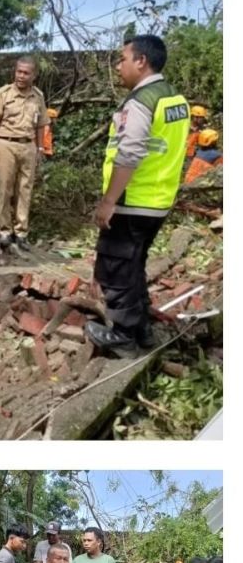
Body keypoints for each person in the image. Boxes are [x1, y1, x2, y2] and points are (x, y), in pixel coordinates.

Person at [85, 35, 190, 358]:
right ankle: (141, 328)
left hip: (133, 201)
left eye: (123, 59)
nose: (119, 66)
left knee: (116, 269)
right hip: (157, 201)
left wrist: (108, 201)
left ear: (141, 61)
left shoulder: (141, 101)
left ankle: (122, 336)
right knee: (133, 265)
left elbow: (129, 153)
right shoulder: (175, 100)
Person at [0, 56, 48, 250]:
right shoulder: (3, 93)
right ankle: (5, 230)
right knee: (4, 187)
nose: (21, 76)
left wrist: (40, 148)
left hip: (28, 146)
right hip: (5, 144)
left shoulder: (38, 96)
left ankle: (21, 232)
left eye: (26, 73)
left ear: (34, 75)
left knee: (25, 189)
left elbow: (41, 124)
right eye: (18, 71)